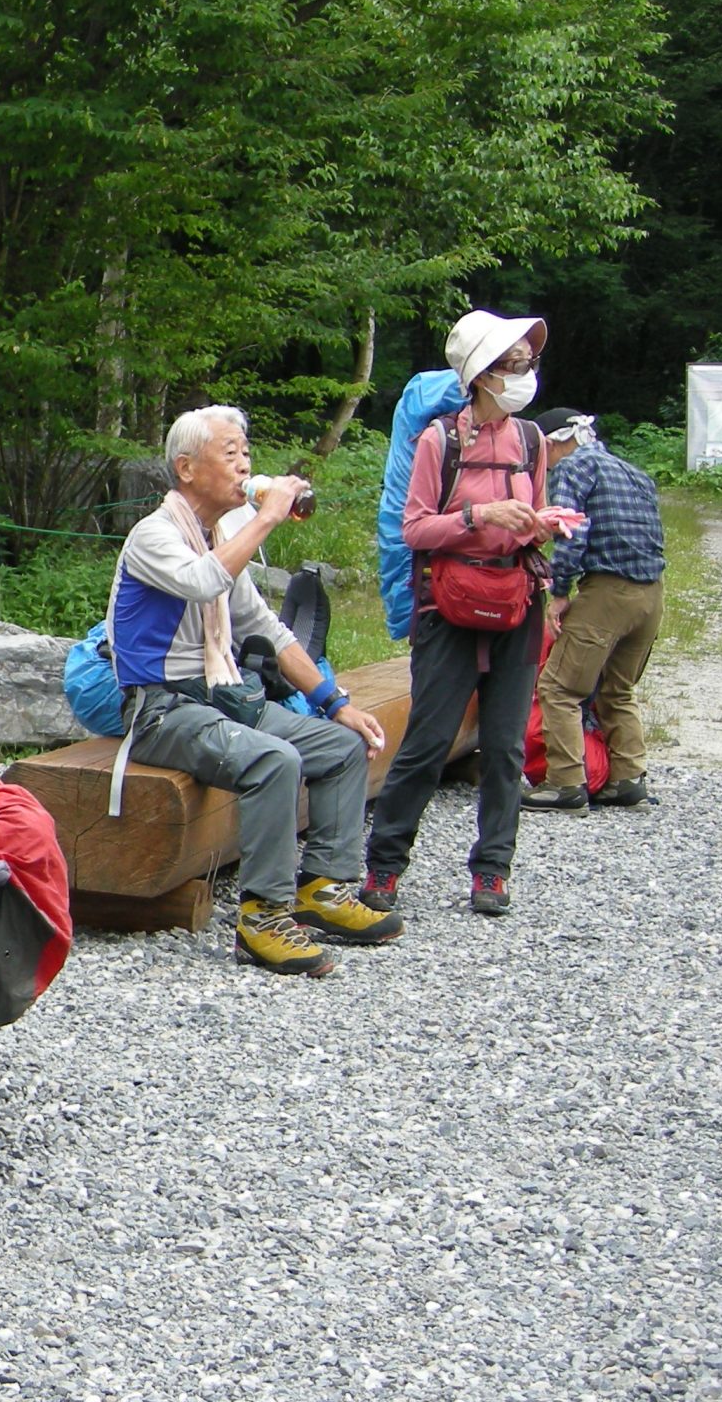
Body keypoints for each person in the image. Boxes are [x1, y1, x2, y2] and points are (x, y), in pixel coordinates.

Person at [109, 407, 400, 976]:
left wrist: (336, 703)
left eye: (246, 453)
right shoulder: (154, 535)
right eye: (231, 453)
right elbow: (201, 581)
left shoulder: (219, 539)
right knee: (274, 760)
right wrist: (264, 517)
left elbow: (267, 628)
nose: (245, 466)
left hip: (220, 697)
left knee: (341, 747)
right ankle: (262, 917)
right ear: (186, 468)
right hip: (161, 709)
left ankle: (323, 890)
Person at [364, 310, 555, 917]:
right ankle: (384, 866)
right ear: (481, 374)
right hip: (447, 605)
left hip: (516, 602)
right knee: (427, 742)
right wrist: (480, 516)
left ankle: (493, 870)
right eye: (513, 364)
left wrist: (543, 525)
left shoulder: (532, 441)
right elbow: (414, 529)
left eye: (528, 362)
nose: (524, 373)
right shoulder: (438, 440)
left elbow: (535, 522)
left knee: (504, 748)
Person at [523, 407, 663, 812]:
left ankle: (565, 783)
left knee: (559, 687)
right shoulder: (633, 472)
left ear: (553, 442)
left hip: (608, 592)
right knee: (618, 689)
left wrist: (560, 592)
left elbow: (571, 532)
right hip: (653, 593)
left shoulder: (573, 467)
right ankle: (628, 779)